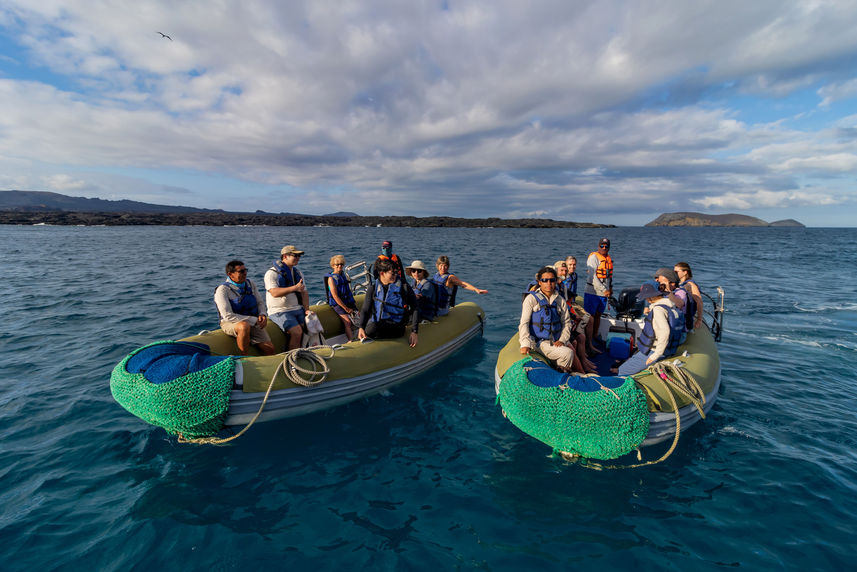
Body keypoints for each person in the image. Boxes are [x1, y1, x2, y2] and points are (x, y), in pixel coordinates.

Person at [616, 281, 684, 376]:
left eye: (646, 297)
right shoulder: (670, 306)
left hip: (653, 351)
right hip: (668, 350)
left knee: (623, 370)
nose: (646, 299)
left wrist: (655, 356)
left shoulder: (658, 310)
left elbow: (665, 332)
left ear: (651, 296)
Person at [518, 266, 575, 372]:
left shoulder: (560, 300)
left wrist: (562, 340)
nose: (549, 283)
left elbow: (567, 322)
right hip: (540, 342)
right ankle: (560, 378)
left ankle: (560, 371)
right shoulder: (531, 299)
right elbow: (524, 323)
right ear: (539, 282)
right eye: (545, 280)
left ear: (556, 282)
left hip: (556, 341)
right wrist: (525, 344)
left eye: (552, 280)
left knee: (572, 346)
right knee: (568, 353)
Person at [214, 260, 276, 356]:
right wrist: (254, 320)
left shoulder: (250, 283)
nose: (245, 273)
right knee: (244, 326)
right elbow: (227, 316)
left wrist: (262, 314)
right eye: (241, 271)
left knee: (270, 349)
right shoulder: (222, 290)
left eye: (245, 270)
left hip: (253, 321)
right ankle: (244, 357)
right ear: (231, 274)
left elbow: (259, 302)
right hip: (231, 322)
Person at [358, 258, 420, 347]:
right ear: (382, 273)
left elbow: (415, 308)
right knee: (368, 328)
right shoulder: (373, 289)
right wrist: (361, 327)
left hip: (397, 327)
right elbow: (365, 310)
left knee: (372, 328)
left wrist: (414, 331)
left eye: (396, 273)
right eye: (392, 273)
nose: (395, 275)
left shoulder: (404, 287)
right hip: (379, 324)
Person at [265, 245, 310, 351]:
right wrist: (295, 288)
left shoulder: (298, 273)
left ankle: (304, 352)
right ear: (285, 256)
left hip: (297, 308)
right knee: (297, 332)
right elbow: (274, 292)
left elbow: (304, 293)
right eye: (295, 255)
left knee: (309, 328)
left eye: (299, 256)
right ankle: (293, 357)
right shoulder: (271, 274)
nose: (298, 258)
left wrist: (307, 309)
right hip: (279, 311)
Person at [325, 254, 359, 341]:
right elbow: (335, 296)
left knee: (358, 317)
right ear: (333, 266)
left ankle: (360, 336)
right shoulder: (331, 279)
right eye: (337, 265)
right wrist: (346, 308)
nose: (340, 266)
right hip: (338, 304)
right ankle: (351, 340)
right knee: (347, 322)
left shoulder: (343, 275)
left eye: (341, 264)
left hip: (348, 301)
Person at [585, 238, 613, 341]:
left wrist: (610, 288)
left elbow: (609, 276)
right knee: (590, 316)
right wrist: (603, 289)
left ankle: (595, 335)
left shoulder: (608, 259)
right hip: (592, 292)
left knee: (598, 315)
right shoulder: (593, 257)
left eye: (606, 246)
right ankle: (588, 340)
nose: (604, 248)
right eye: (602, 246)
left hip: (603, 293)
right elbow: (593, 277)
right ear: (598, 246)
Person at [675, 262, 704, 331]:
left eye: (676, 272)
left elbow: (699, 301)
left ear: (685, 272)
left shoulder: (691, 285)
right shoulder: (677, 283)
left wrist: (699, 319)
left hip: (685, 316)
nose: (674, 274)